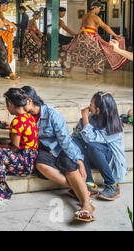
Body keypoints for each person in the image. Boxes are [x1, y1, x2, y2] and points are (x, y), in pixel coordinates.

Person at [22, 86, 95, 222]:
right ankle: (80, 188)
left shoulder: (53, 114)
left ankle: (86, 205)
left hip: (61, 149)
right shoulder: (26, 116)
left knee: (69, 166)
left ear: (29, 101)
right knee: (39, 163)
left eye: (21, 102)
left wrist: (80, 162)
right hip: (45, 151)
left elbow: (66, 142)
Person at [0, 88, 38, 206]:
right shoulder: (29, 117)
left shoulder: (17, 122)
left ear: (10, 104)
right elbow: (23, 133)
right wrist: (11, 128)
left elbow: (14, 148)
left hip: (24, 163)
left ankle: (0, 193)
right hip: (31, 159)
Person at [71, 92, 126, 201]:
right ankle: (90, 184)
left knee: (91, 145)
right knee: (76, 140)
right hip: (94, 156)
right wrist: (83, 121)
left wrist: (85, 118)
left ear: (98, 110)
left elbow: (91, 139)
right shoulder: (92, 117)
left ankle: (112, 185)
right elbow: (77, 137)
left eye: (91, 104)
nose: (89, 107)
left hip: (110, 160)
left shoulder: (115, 125)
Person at [65, 1, 127, 74]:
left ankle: (70, 68)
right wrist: (115, 35)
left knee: (78, 52)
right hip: (89, 37)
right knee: (102, 52)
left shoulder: (85, 15)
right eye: (99, 8)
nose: (99, 10)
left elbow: (81, 27)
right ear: (95, 7)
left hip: (81, 37)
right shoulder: (95, 17)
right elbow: (105, 27)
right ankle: (91, 70)